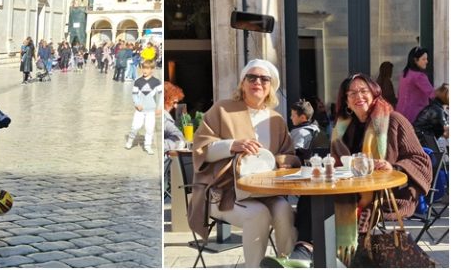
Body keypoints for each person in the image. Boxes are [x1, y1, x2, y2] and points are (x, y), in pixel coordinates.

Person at [267, 73, 433, 268]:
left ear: (374, 93)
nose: (358, 96)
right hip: (348, 188)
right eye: (352, 93)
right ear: (346, 100)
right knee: (311, 197)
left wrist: (394, 167)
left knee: (330, 202)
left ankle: (310, 255)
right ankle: (306, 250)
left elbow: (421, 161)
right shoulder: (343, 127)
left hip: (384, 194)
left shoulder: (394, 120)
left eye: (363, 91)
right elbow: (337, 163)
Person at [188, 59, 299, 269]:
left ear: (270, 87)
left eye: (264, 78)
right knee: (257, 215)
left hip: (267, 192)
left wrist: (280, 162)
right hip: (223, 192)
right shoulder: (223, 110)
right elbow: (200, 150)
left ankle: (286, 263)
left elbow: (289, 155)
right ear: (242, 83)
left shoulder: (276, 120)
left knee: (284, 210)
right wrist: (232, 145)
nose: (258, 82)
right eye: (252, 77)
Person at [124, 59, 162, 155]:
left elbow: (161, 95)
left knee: (150, 128)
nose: (145, 70)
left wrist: (159, 107)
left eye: (147, 68)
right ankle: (130, 141)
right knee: (135, 126)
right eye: (143, 68)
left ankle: (147, 146)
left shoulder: (156, 82)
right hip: (140, 110)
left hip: (151, 110)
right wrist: (137, 104)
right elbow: (134, 94)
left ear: (152, 69)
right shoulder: (138, 81)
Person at [396, 46, 435, 123]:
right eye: (423, 59)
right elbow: (432, 93)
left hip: (400, 114)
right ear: (415, 60)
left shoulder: (404, 74)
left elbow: (398, 94)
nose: (426, 61)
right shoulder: (419, 76)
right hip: (415, 116)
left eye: (426, 59)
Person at [413, 83, 449, 157]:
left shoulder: (434, 107)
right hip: (426, 147)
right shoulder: (438, 111)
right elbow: (446, 133)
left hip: (420, 143)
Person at [163, 81, 188, 151]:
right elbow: (178, 137)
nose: (176, 106)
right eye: (174, 102)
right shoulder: (164, 118)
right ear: (165, 99)